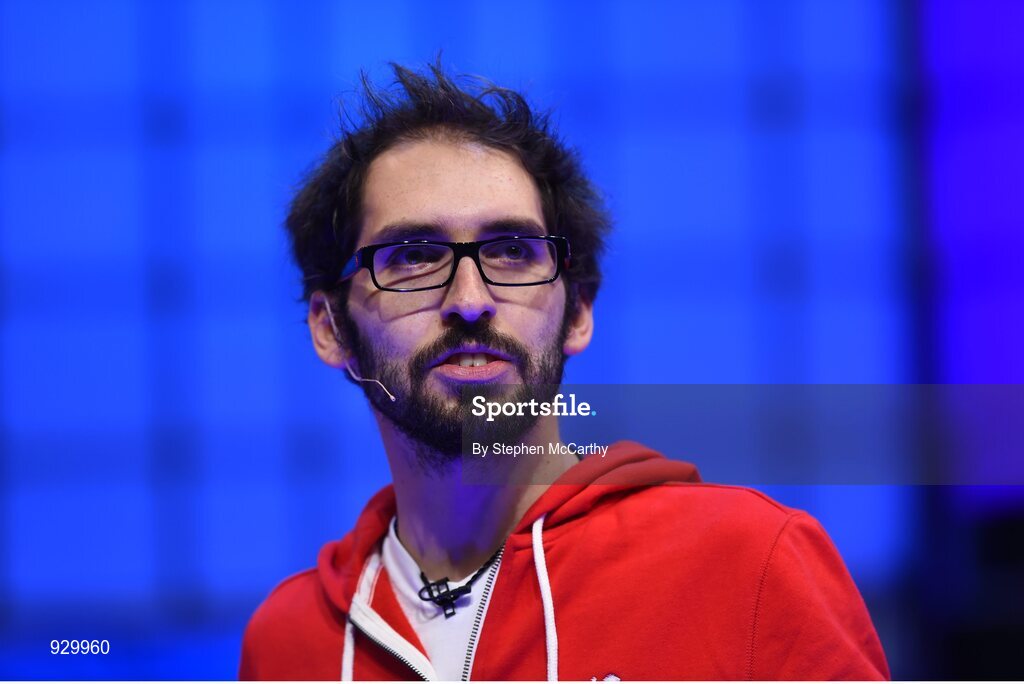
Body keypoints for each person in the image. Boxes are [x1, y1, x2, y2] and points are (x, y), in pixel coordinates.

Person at [238, 61, 890, 681]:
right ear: (331, 327)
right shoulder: (289, 643)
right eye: (413, 256)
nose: (470, 300)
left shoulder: (749, 566)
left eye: (513, 251)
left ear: (577, 312)